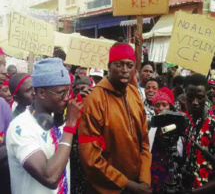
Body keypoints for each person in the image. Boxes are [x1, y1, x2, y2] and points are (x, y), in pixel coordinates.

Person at [78, 43, 152, 194]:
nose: (124, 70)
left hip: (137, 185)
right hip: (108, 188)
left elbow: (144, 142)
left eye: (129, 65)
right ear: (109, 66)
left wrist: (144, 179)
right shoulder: (95, 100)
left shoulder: (134, 93)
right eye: (119, 65)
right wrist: (128, 185)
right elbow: (90, 157)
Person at [6, 58, 83, 194]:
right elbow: (50, 178)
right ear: (41, 93)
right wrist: (70, 126)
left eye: (68, 92)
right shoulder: (20, 127)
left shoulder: (56, 121)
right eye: (61, 93)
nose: (67, 98)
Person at [183, 74, 215, 193]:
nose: (195, 102)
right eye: (190, 96)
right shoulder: (190, 122)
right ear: (185, 95)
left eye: (200, 97)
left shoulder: (213, 125)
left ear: (206, 95)